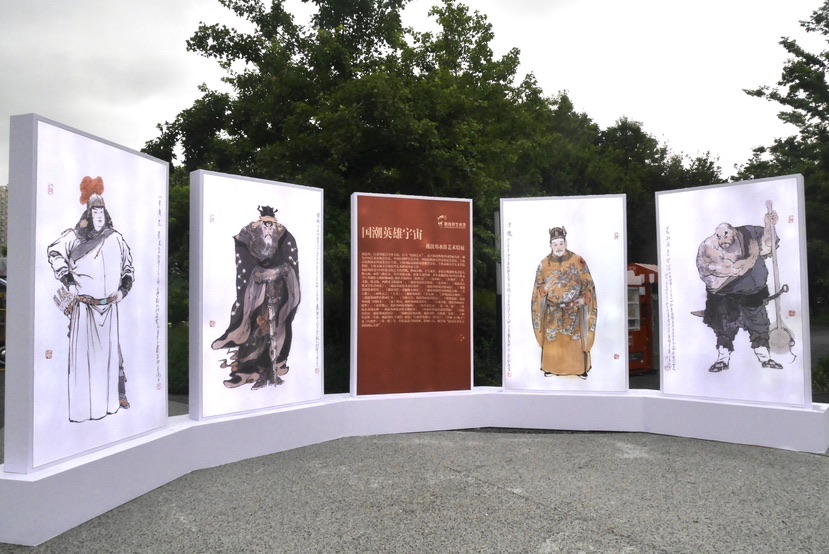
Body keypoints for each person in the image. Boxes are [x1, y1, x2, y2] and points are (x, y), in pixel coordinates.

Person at [47, 176, 134, 422]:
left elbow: (128, 268)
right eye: (94, 211)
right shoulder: (74, 237)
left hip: (109, 308)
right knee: (85, 364)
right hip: (85, 309)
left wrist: (123, 290)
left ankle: (110, 405)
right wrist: (68, 281)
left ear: (106, 213)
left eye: (101, 211)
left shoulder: (116, 238)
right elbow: (55, 252)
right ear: (88, 213)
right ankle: (84, 412)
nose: (98, 216)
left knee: (108, 362)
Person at [212, 205, 300, 389]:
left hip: (280, 290)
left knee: (279, 325)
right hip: (256, 292)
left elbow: (291, 262)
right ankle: (246, 369)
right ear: (259, 223)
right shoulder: (247, 236)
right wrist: (258, 274)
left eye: (271, 224)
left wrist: (278, 272)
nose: (268, 228)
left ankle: (276, 363)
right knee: (254, 325)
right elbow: (244, 262)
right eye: (265, 224)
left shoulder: (285, 236)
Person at [696, 208, 781, 372]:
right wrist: (752, 258)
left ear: (733, 232)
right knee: (724, 326)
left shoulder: (749, 233)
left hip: (753, 293)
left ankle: (765, 358)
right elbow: (734, 270)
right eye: (719, 236)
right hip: (725, 294)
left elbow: (767, 247)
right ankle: (722, 359)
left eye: (726, 235)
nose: (722, 240)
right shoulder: (708, 248)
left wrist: (769, 226)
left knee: (759, 325)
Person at [531, 227, 597, 379]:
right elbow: (537, 288)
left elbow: (588, 285)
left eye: (561, 243)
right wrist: (544, 289)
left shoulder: (578, 261)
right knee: (552, 339)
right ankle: (550, 368)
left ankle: (579, 369)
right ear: (550, 245)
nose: (558, 247)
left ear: (566, 243)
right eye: (555, 244)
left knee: (574, 341)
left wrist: (584, 299)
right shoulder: (544, 264)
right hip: (553, 311)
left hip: (573, 310)